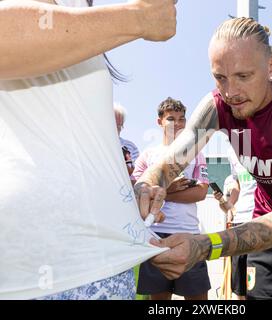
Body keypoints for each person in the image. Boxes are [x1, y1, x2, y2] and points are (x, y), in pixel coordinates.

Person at [134, 17, 272, 300]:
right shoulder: (215, 105)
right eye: (220, 77)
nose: (231, 92)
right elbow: (171, 160)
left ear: (271, 66)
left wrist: (204, 246)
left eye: (243, 76)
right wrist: (148, 182)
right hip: (267, 217)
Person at [0, 0, 176, 299]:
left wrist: (127, 196)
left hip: (105, 269)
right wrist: (139, 18)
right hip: (46, 268)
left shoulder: (81, 12)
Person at [132, 97, 210, 300]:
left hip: (190, 234)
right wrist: (172, 187)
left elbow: (200, 193)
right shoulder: (147, 155)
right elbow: (138, 195)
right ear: (159, 122)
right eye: (170, 119)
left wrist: (163, 189)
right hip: (156, 237)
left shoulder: (196, 153)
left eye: (182, 119)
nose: (177, 124)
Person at [213, 148, 257, 300]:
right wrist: (229, 204)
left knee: (259, 282)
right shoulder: (232, 152)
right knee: (239, 284)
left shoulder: (264, 143)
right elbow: (238, 184)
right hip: (239, 221)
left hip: (260, 220)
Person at [114, 102, 140, 177]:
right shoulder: (94, 143)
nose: (115, 129)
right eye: (113, 124)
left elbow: (135, 175)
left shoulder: (130, 146)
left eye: (119, 126)